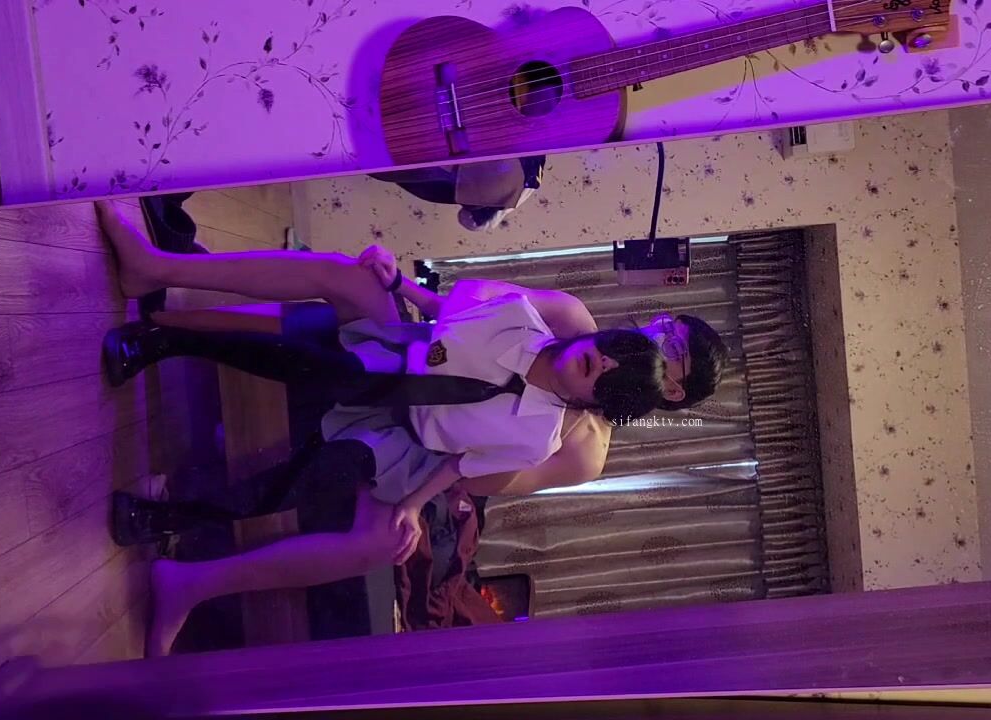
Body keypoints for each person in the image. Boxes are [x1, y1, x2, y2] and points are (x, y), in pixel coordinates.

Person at [97, 201, 700, 656]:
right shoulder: (570, 321)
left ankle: (191, 581)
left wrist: (416, 502)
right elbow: (455, 314)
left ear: (670, 391)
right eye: (668, 325)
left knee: (381, 540)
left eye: (672, 350)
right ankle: (156, 272)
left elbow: (471, 475)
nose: (655, 335)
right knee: (354, 284)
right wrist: (396, 283)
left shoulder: (581, 450)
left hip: (422, 452)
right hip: (413, 354)